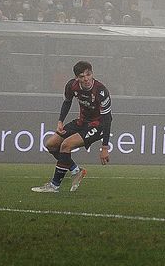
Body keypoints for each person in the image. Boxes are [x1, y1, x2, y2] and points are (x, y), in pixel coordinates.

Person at [31, 61, 111, 193]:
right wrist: (60, 121)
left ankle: (54, 185)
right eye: (82, 76)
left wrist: (105, 147)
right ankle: (76, 170)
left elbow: (108, 119)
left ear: (92, 73)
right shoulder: (72, 86)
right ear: (76, 78)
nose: (86, 79)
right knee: (51, 144)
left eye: (88, 74)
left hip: (98, 125)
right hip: (81, 122)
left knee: (65, 145)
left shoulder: (101, 91)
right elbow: (67, 102)